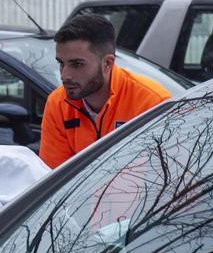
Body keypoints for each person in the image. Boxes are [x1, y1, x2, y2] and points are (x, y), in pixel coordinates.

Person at [39, 14, 171, 169]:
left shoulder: (153, 102)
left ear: (107, 63)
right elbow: (54, 178)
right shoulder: (57, 103)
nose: (64, 75)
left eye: (77, 64)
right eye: (61, 63)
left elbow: (167, 176)